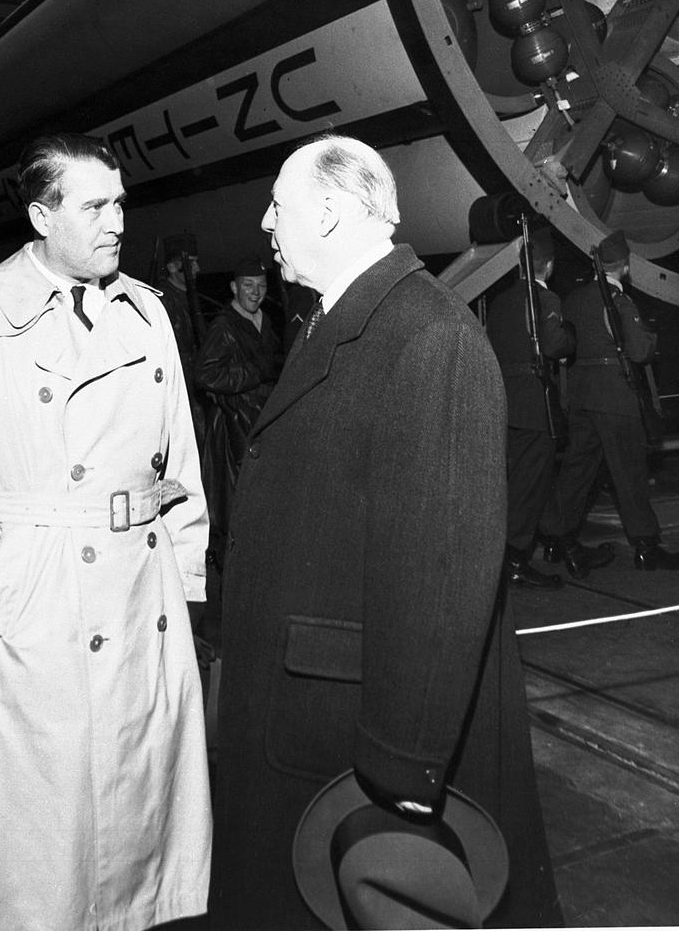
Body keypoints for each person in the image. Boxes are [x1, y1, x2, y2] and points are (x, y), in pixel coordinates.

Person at [209, 134, 560, 929]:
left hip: (354, 732)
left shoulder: (429, 336)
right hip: (310, 701)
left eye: (279, 205)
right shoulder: (345, 318)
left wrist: (403, 765)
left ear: (330, 211)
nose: (265, 223)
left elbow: (442, 564)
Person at [0, 132, 212, 931]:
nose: (116, 223)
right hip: (31, 621)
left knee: (131, 858)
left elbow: (182, 470)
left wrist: (188, 582)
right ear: (41, 214)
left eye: (121, 203)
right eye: (95, 205)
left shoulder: (146, 314)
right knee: (33, 871)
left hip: (142, 607)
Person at [548, 230, 679, 573]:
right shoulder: (620, 302)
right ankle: (646, 547)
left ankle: (554, 538)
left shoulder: (573, 300)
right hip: (615, 397)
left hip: (582, 396)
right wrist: (650, 339)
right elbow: (638, 350)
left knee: (577, 471)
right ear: (624, 265)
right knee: (630, 473)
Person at [485, 224, 582, 589]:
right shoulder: (547, 300)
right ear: (550, 266)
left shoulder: (501, 301)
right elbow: (556, 345)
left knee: (516, 480)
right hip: (536, 400)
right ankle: (514, 558)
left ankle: (536, 542)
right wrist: (570, 333)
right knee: (530, 484)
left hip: (507, 400)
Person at [195, 255, 282, 544]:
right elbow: (206, 375)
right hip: (234, 430)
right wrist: (257, 370)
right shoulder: (225, 325)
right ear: (234, 287)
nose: (255, 292)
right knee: (235, 504)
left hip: (258, 422)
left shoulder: (263, 319)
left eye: (261, 285)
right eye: (248, 285)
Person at [158, 235, 207, 446]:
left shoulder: (192, 296)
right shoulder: (162, 300)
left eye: (196, 262)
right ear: (171, 268)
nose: (196, 269)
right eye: (189, 264)